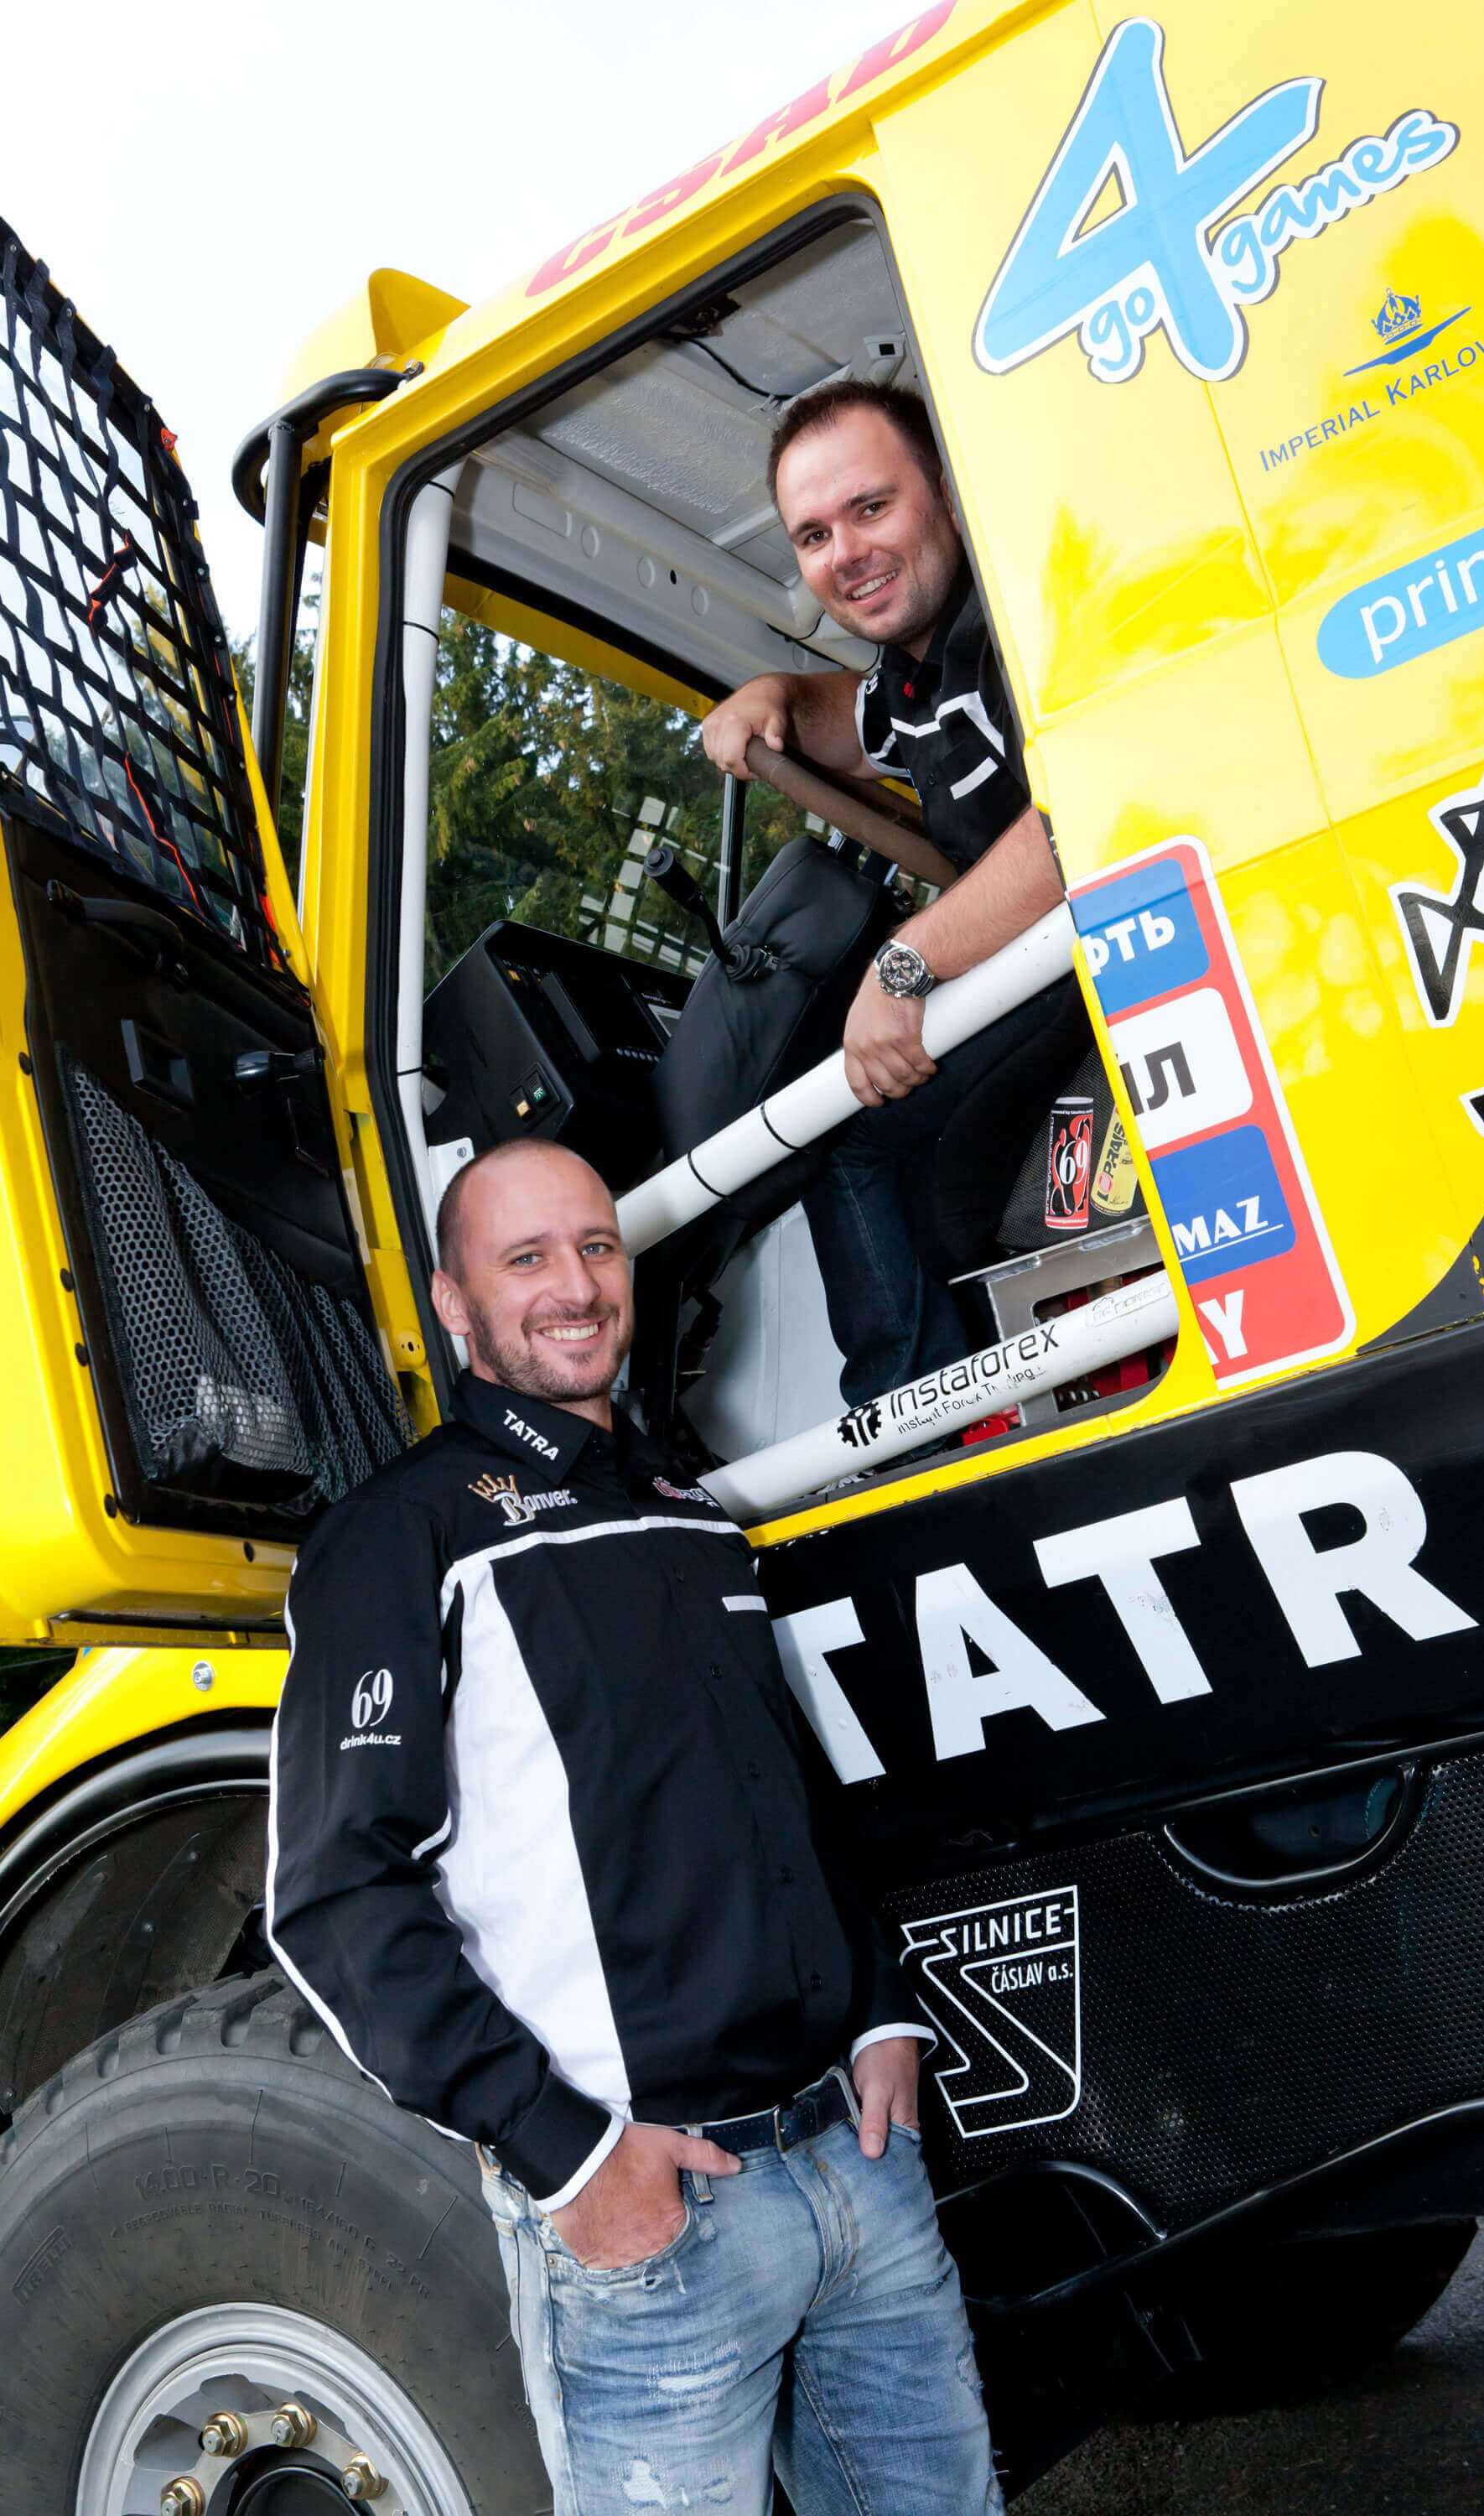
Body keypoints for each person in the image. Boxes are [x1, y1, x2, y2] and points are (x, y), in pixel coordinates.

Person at [266, 1136, 1000, 2516]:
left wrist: (882, 2011)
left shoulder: (688, 1511)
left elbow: (783, 1790)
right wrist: (568, 2156)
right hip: (656, 2212)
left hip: (856, 2163)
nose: (576, 1285)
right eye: (525, 1257)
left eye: (596, 1247)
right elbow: (336, 1896)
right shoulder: (400, 1537)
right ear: (454, 1302)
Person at [702, 379, 1084, 1407]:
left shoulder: (1017, 620)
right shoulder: (914, 673)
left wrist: (904, 962)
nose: (846, 553)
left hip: (1110, 960)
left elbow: (1083, 817)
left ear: (947, 494)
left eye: (870, 508)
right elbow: (850, 719)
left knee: (841, 1129)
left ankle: (912, 1423)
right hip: (1042, 975)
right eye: (814, 535)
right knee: (908, 1173)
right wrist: (774, 694)